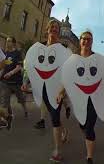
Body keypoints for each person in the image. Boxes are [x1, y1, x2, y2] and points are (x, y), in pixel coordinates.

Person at [57, 31, 104, 164]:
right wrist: (61, 92)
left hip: (94, 97)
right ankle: (85, 131)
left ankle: (89, 157)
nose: (86, 41)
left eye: (89, 39)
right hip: (78, 98)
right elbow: (68, 78)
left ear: (92, 42)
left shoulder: (98, 60)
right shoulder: (73, 60)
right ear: (80, 41)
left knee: (90, 127)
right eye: (84, 39)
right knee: (82, 124)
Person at [21, 20, 70, 162]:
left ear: (58, 31)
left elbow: (68, 72)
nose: (54, 29)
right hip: (42, 88)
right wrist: (26, 82)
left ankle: (57, 151)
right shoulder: (38, 48)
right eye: (52, 27)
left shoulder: (63, 49)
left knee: (54, 118)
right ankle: (64, 130)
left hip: (57, 90)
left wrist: (62, 91)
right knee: (53, 115)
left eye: (57, 28)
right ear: (47, 30)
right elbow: (29, 66)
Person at [0, 36, 27, 130]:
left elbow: (19, 67)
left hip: (16, 82)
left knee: (21, 99)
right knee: (4, 102)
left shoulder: (17, 53)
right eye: (7, 41)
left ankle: (25, 109)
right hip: (5, 82)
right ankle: (7, 119)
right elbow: (2, 66)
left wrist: (10, 73)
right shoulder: (4, 54)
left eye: (10, 41)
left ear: (14, 43)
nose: (7, 43)